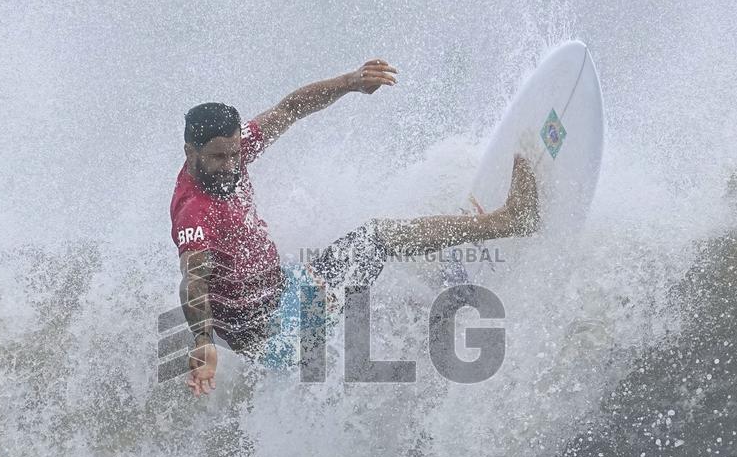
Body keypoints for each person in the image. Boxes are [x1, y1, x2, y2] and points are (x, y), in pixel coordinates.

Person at [171, 59, 538, 397]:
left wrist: (349, 82)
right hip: (279, 334)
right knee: (376, 240)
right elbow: (194, 280)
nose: (232, 165)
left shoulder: (230, 154)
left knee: (370, 282)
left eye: (236, 153)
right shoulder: (194, 213)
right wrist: (203, 340)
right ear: (191, 153)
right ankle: (509, 221)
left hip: (287, 291)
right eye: (220, 157)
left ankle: (431, 299)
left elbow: (289, 109)